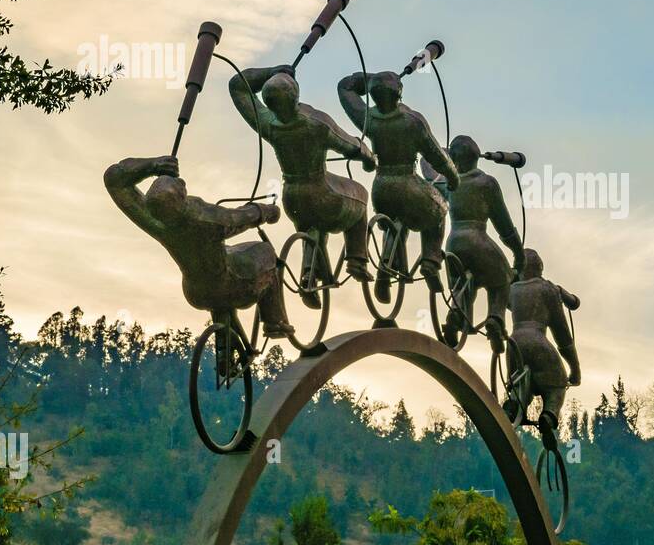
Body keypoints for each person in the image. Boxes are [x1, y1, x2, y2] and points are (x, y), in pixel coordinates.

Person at [103, 155, 292, 344]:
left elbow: (114, 179)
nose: (182, 182)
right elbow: (239, 218)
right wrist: (265, 211)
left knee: (227, 260)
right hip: (232, 286)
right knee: (265, 252)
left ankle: (225, 344)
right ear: (179, 199)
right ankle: (274, 321)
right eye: (179, 187)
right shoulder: (202, 217)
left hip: (196, 292)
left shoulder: (155, 220)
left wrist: (153, 166)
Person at [229, 65, 375, 298]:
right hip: (321, 191)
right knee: (360, 194)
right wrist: (368, 157)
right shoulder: (317, 122)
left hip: (292, 196)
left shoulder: (268, 123)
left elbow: (238, 85)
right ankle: (357, 259)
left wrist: (272, 71)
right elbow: (349, 144)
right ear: (296, 95)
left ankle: (309, 272)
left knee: (311, 223)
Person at [336, 70, 458, 299]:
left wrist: (371, 80)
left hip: (381, 188)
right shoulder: (413, 121)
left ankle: (386, 267)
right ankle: (431, 261)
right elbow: (437, 157)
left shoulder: (368, 118)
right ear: (399, 93)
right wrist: (453, 178)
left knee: (394, 220)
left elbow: (345, 87)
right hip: (408, 182)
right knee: (439, 207)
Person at [430, 135, 524, 351]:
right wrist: (518, 253)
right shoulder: (486, 183)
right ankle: (495, 320)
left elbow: (429, 173)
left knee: (462, 284)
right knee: (502, 277)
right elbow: (504, 225)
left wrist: (436, 156)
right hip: (478, 240)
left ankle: (455, 315)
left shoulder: (446, 183)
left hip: (453, 243)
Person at [506, 249, 581, 448]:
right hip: (537, 340)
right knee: (557, 386)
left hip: (513, 345)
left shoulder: (511, 290)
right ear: (540, 268)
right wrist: (575, 369)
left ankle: (514, 404)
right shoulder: (547, 289)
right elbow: (562, 335)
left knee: (522, 385)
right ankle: (548, 417)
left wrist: (513, 277)